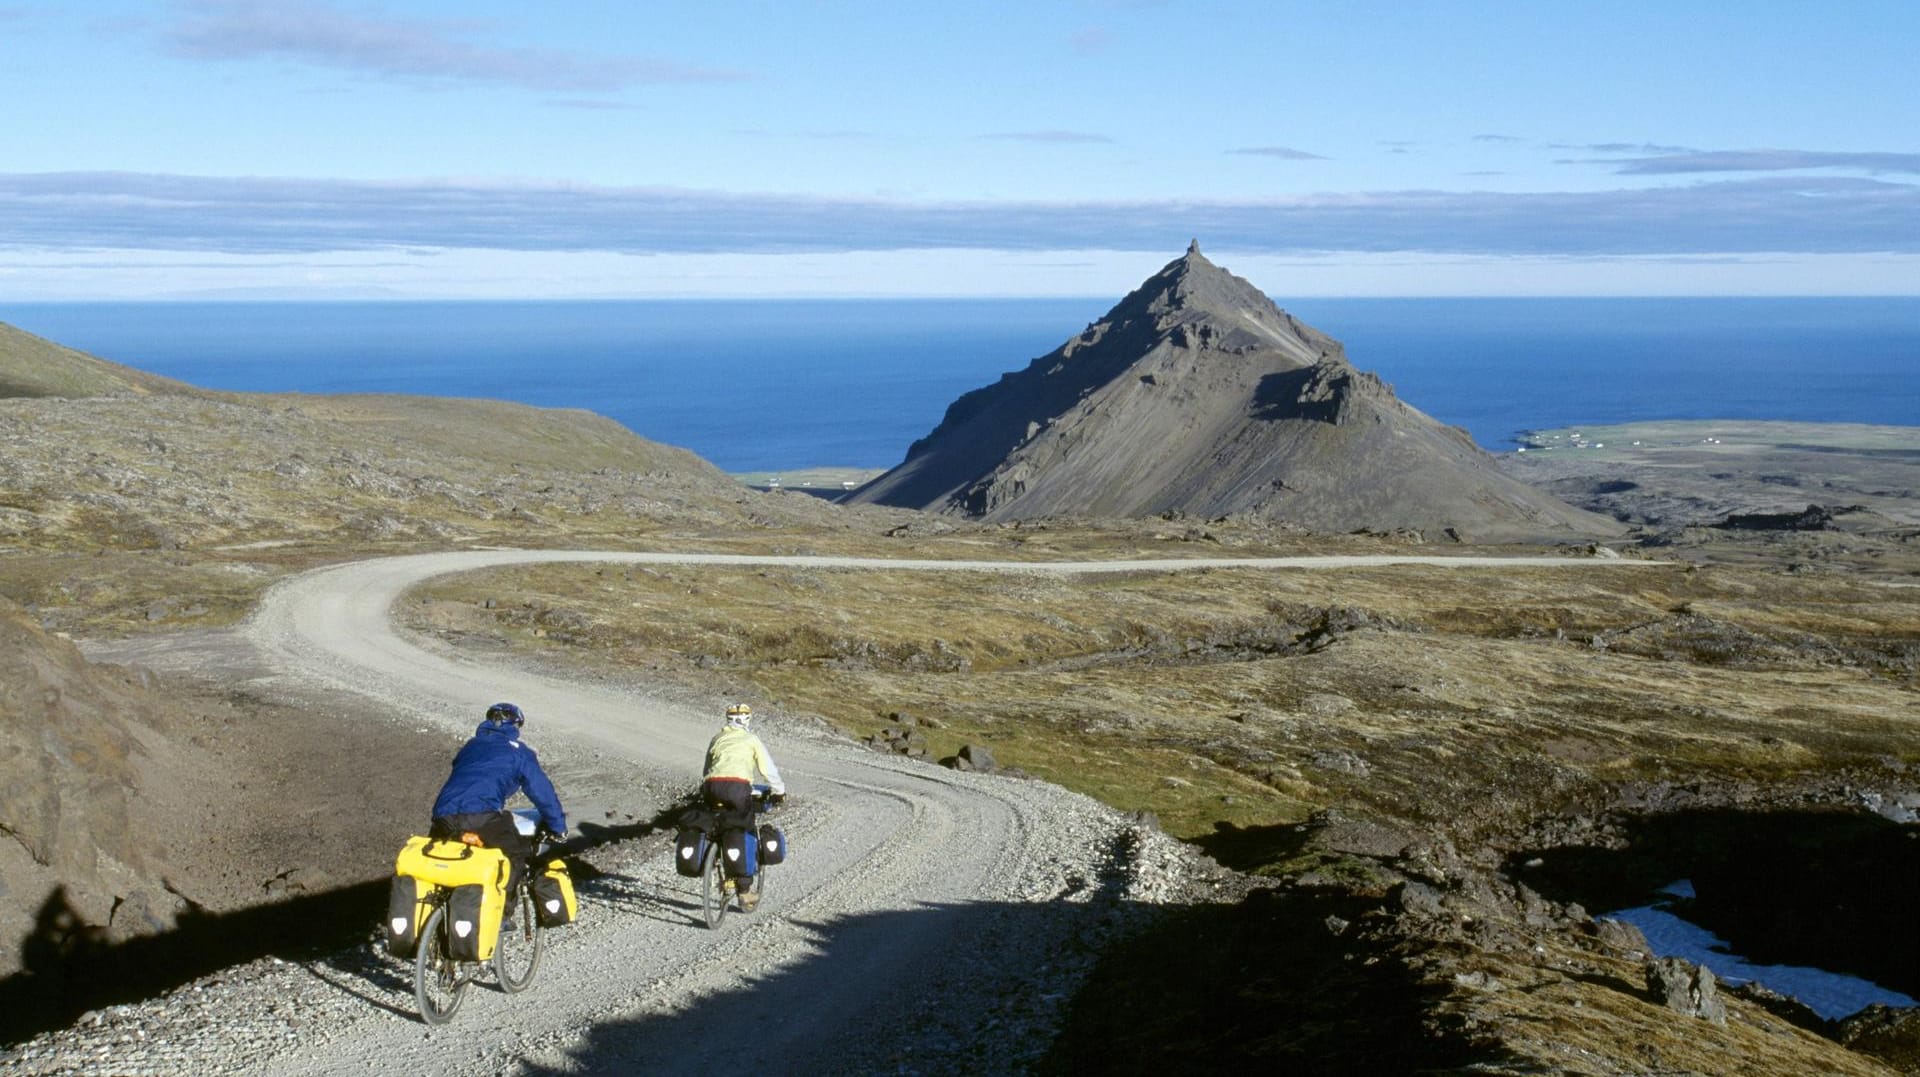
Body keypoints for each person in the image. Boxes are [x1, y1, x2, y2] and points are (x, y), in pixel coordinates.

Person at [430, 702, 567, 913]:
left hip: (442, 815)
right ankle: (502, 914)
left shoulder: (470, 746)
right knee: (514, 853)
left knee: (443, 857)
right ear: (515, 725)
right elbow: (542, 793)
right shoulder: (520, 752)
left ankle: (437, 916)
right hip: (482, 815)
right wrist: (558, 827)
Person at [701, 703, 786, 909]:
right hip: (738, 788)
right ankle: (745, 891)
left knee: (717, 824)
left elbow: (707, 768)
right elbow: (767, 768)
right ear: (747, 719)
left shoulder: (717, 738)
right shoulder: (751, 739)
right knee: (745, 828)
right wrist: (779, 790)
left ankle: (714, 859)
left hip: (711, 787)